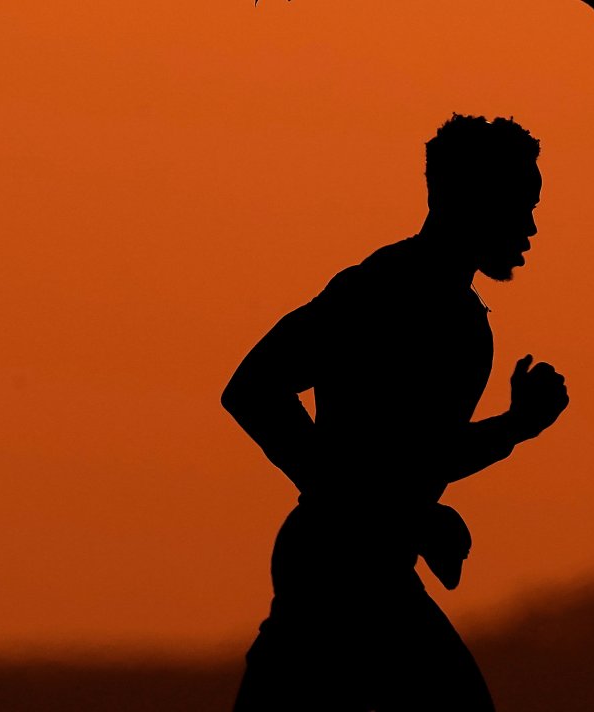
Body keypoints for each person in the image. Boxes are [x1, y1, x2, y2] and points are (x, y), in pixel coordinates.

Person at [222, 114, 569, 711]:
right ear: (469, 200)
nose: (531, 226)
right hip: (339, 572)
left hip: (364, 565)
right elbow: (252, 389)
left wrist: (510, 431)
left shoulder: (455, 310)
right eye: (519, 205)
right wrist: (371, 508)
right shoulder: (382, 290)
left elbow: (412, 456)